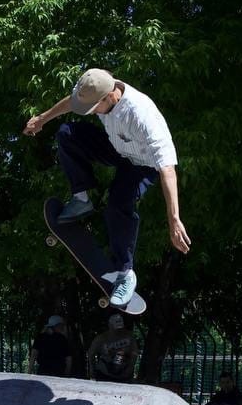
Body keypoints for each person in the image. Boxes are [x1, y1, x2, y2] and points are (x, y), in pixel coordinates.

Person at [24, 68, 191, 307]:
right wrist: (42, 118)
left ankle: (125, 273)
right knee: (66, 133)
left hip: (142, 166)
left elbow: (167, 170)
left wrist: (174, 219)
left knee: (117, 205)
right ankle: (81, 198)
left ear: (111, 96)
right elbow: (71, 103)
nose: (91, 113)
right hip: (117, 148)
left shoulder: (142, 116)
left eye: (93, 109)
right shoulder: (96, 85)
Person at [86, 314, 138, 382]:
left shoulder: (129, 337)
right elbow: (91, 354)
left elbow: (134, 354)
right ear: (110, 325)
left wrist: (130, 369)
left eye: (120, 328)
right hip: (104, 374)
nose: (118, 331)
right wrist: (92, 371)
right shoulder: (101, 338)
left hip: (123, 375)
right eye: (115, 328)